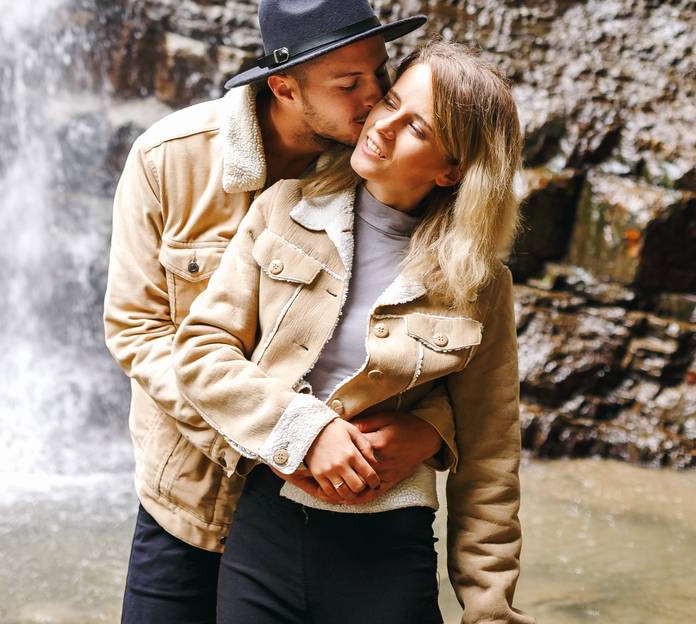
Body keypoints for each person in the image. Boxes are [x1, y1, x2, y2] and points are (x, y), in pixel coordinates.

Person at [103, 0, 461, 624]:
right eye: (348, 85)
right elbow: (136, 332)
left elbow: (445, 341)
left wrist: (430, 432)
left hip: (333, 512)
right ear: (284, 86)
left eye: (377, 75)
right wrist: (280, 437)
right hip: (191, 493)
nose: (375, 99)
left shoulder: (385, 167)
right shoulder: (168, 160)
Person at [173, 39, 536, 624]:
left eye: (416, 127)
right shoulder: (282, 210)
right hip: (266, 522)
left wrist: (491, 609)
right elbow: (200, 351)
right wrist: (306, 431)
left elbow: (491, 456)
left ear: (454, 170)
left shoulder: (479, 285)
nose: (382, 127)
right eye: (391, 101)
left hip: (389, 544)